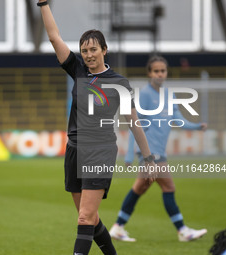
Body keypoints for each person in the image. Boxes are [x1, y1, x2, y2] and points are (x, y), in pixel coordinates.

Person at [38, 1, 156, 254]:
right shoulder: (78, 70)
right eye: (84, 50)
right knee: (90, 218)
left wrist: (148, 158)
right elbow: (53, 37)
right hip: (74, 151)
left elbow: (132, 121)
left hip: (100, 151)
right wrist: (43, 3)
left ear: (104, 49)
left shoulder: (119, 82)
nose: (88, 54)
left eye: (93, 49)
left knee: (83, 219)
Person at [109, 56, 208, 242]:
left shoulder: (170, 95)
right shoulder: (145, 95)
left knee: (139, 189)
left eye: (163, 71)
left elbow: (178, 119)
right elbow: (135, 124)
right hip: (150, 152)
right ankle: (183, 231)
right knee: (168, 186)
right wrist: (130, 153)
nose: (160, 74)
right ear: (149, 73)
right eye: (156, 71)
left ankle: (118, 226)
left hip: (159, 150)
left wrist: (196, 126)